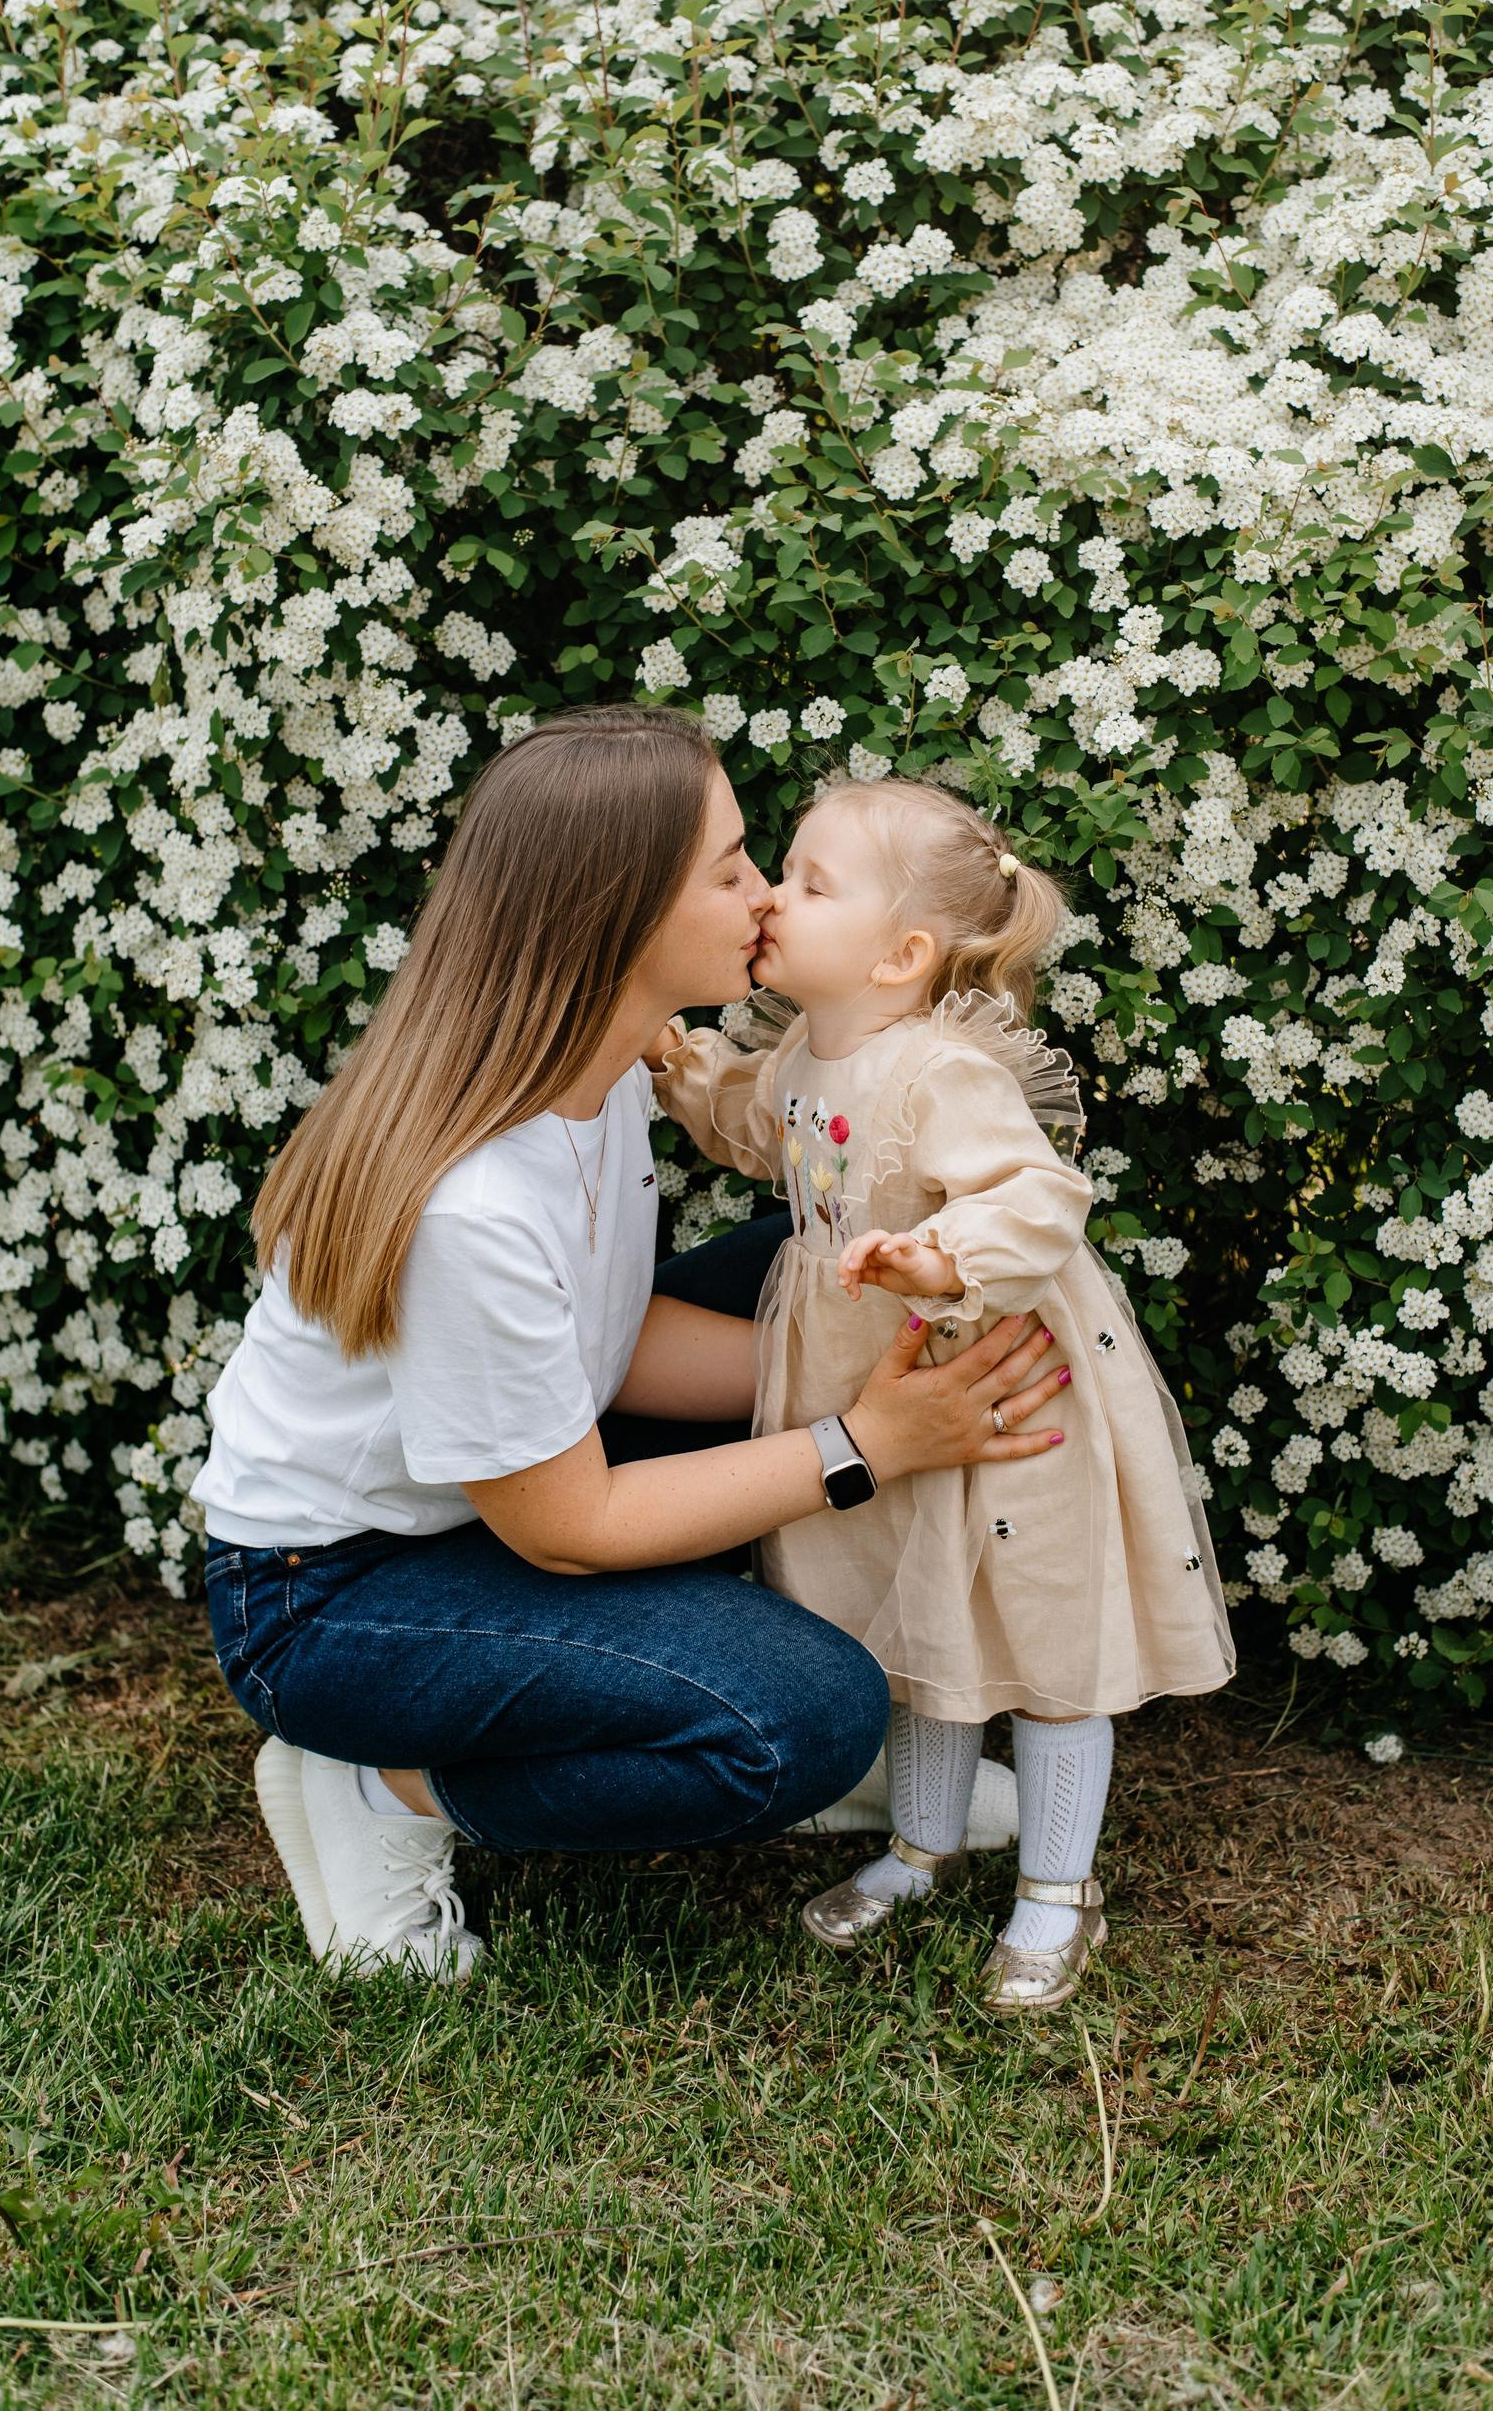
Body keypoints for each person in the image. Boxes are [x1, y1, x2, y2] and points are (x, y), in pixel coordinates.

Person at [191, 710, 1070, 1980]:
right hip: (334, 1596)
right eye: (729, 870)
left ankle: (751, 1665)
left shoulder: (593, 1067)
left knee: (822, 1260)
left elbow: (607, 1333)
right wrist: (860, 1442)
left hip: (497, 1481)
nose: (765, 894)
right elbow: (570, 1525)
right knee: (798, 1720)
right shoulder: (474, 1200)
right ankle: (382, 1790)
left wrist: (865, 1380)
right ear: (618, 915)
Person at [651, 774, 1235, 2015]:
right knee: (914, 1623)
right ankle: (921, 1845)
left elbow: (1037, 1196)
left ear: (902, 951)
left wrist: (944, 1256)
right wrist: (681, 1067)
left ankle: (1058, 1887)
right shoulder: (810, 1047)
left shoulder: (939, 1070)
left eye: (811, 884)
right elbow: (756, 1124)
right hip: (880, 1385)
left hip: (996, 1387)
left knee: (1036, 1629)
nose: (773, 898)